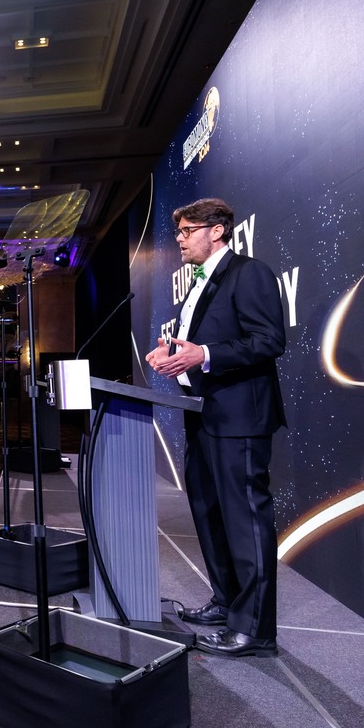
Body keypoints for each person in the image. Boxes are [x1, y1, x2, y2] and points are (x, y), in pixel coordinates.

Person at [145, 197, 286, 658]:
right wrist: (171, 352)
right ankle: (227, 603)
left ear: (217, 231)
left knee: (245, 521)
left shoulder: (250, 273)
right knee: (210, 515)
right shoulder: (200, 284)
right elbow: (201, 339)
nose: (180, 240)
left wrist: (203, 355)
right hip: (203, 416)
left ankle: (255, 628)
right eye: (180, 232)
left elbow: (268, 341)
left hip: (240, 418)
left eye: (187, 231)